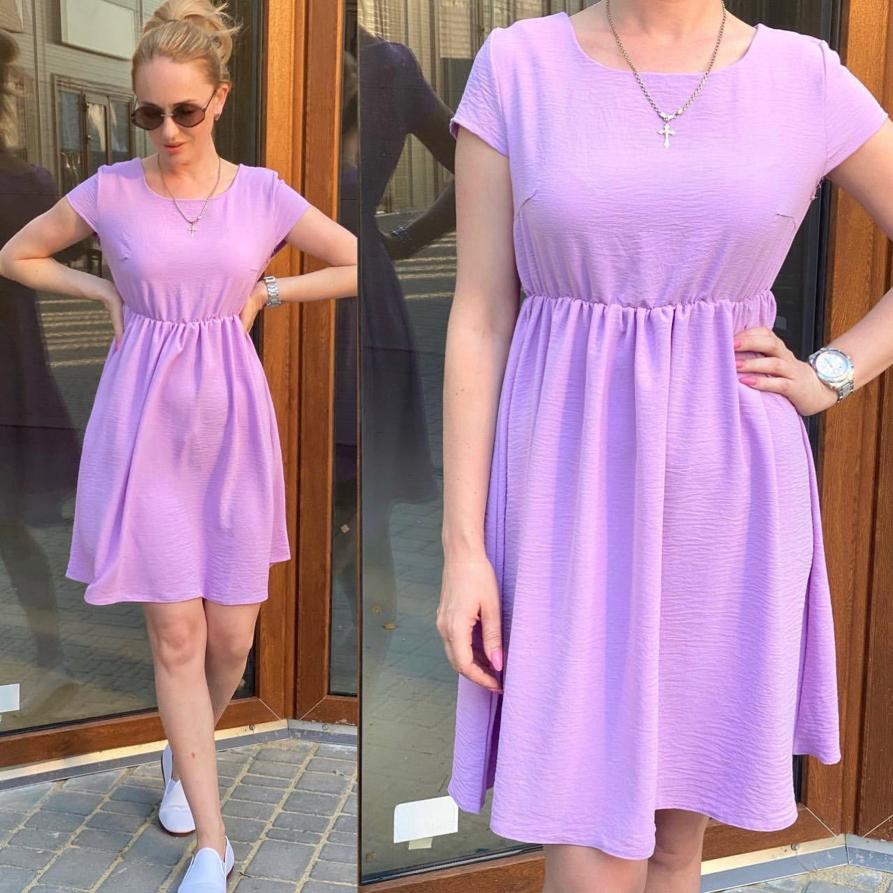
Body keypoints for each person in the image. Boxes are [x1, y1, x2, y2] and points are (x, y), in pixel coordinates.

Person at [436, 1, 893, 891]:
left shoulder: (804, 74)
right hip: (565, 494)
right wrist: (462, 549)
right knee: (589, 846)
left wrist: (830, 373)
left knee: (675, 847)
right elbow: (481, 313)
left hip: (727, 496)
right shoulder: (517, 65)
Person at [0, 1, 357, 891]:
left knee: (231, 635)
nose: (167, 130)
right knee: (175, 633)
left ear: (220, 99)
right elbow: (17, 254)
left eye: (185, 111)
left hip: (233, 431)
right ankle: (212, 839)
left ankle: (181, 746)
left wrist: (272, 292)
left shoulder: (262, 192)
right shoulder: (110, 191)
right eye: (148, 113)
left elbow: (354, 260)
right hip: (143, 430)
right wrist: (101, 293)